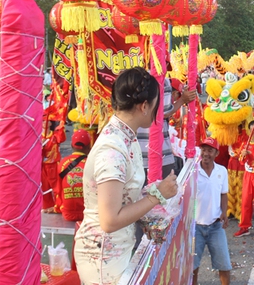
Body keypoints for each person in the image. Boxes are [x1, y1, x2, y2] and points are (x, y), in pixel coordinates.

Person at [75, 67, 179, 284]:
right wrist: (156, 196)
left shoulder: (125, 138)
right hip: (103, 259)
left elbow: (123, 195)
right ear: (144, 106)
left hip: (117, 249)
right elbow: (110, 220)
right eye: (156, 105)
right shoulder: (112, 150)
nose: (157, 112)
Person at [193, 137, 231, 285]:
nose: (206, 153)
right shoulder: (193, 171)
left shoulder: (222, 171)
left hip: (216, 226)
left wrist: (224, 212)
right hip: (196, 227)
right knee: (193, 267)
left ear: (216, 153)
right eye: (203, 150)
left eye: (210, 150)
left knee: (225, 265)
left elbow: (223, 194)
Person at [57, 129, 91, 222]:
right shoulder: (92, 163)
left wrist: (57, 208)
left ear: (71, 145)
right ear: (89, 147)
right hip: (88, 214)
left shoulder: (63, 162)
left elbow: (58, 190)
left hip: (67, 213)